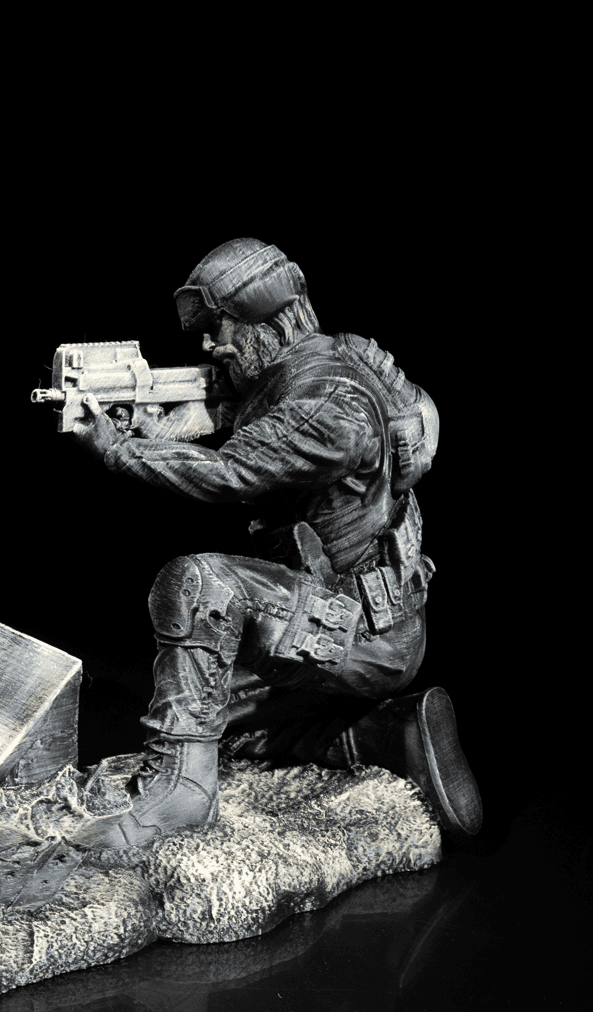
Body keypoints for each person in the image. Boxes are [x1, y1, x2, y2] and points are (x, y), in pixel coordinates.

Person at [70, 237, 481, 849]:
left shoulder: (326, 408)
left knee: (199, 584)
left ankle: (181, 800)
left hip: (358, 633)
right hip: (353, 615)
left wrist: (120, 450)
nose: (211, 346)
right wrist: (169, 424)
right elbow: (247, 412)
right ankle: (381, 737)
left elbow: (231, 473)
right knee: (203, 718)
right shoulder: (339, 358)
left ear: (266, 322)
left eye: (219, 328)